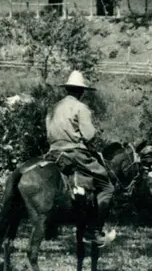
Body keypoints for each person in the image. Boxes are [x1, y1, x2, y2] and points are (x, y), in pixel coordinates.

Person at [45, 70, 116, 247]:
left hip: (53, 152)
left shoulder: (53, 108)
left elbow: (47, 131)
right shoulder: (81, 108)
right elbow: (89, 135)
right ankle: (94, 230)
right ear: (81, 91)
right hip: (74, 153)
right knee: (108, 187)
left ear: (67, 89)